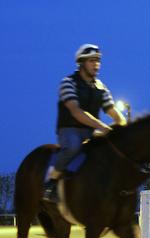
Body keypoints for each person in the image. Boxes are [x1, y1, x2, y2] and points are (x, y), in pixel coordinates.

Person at [43, 43, 126, 202]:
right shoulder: (68, 82)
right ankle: (51, 182)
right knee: (73, 146)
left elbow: (112, 110)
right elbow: (76, 111)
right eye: (91, 60)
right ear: (81, 63)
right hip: (69, 129)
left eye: (98, 60)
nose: (96, 64)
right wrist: (102, 126)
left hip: (91, 131)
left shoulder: (101, 87)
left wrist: (122, 124)